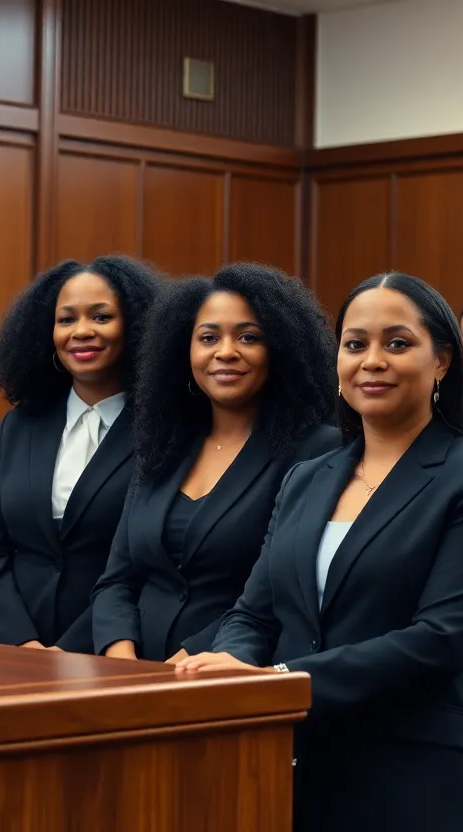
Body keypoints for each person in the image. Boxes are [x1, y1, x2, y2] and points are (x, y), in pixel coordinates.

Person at [176, 272, 463, 832]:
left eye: (397, 343)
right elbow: (253, 611)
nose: (372, 361)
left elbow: (440, 640)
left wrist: (283, 679)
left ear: (441, 361)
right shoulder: (307, 477)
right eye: (355, 344)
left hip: (411, 774)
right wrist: (236, 664)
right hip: (288, 762)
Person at [91, 264, 341, 662]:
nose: (226, 352)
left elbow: (280, 591)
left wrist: (191, 656)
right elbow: (117, 579)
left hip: (228, 670)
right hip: (130, 675)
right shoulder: (164, 445)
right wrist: (121, 653)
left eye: (249, 337)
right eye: (208, 337)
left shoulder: (318, 450)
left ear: (281, 350)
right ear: (183, 351)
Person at [0, 256, 161, 652]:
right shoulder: (17, 427)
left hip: (113, 650)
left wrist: (70, 650)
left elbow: (149, 562)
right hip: (8, 652)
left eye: (102, 317)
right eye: (66, 319)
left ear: (137, 327)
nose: (82, 331)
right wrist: (22, 643)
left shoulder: (162, 431)